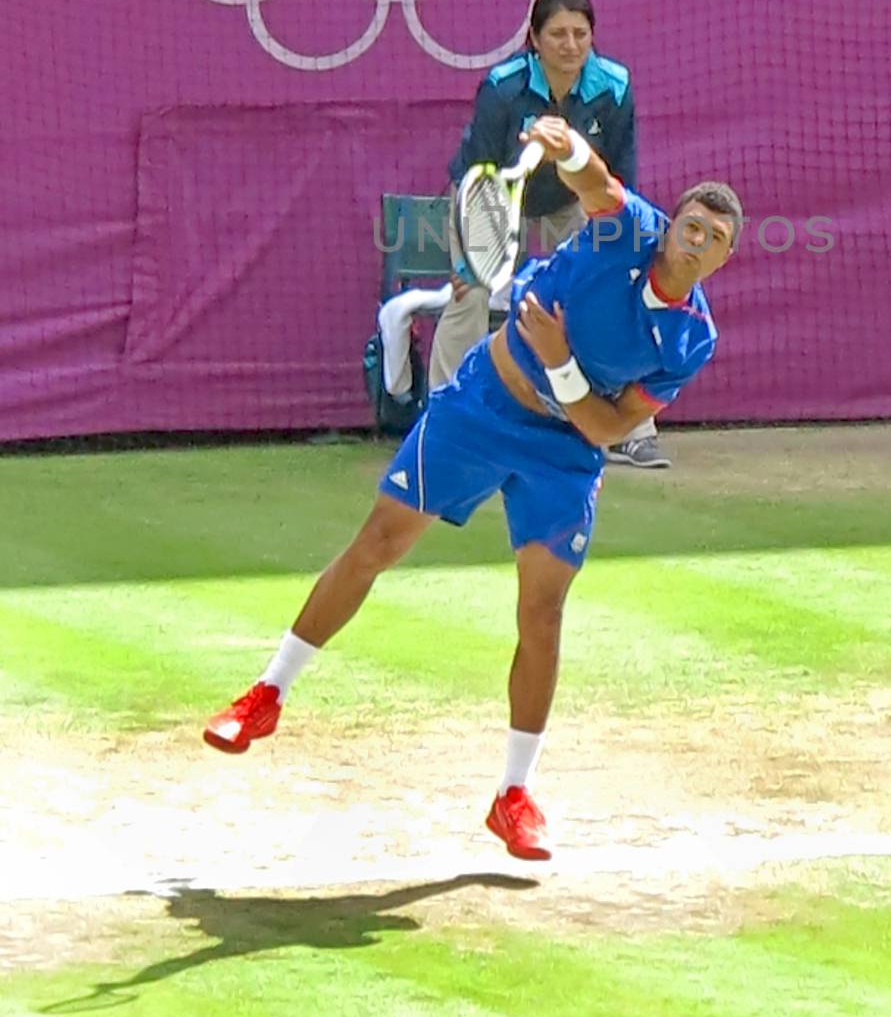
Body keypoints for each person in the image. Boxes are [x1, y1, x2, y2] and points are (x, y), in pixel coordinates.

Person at [203, 114, 742, 861]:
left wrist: (559, 361)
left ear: (722, 258)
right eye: (691, 225)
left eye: (714, 239)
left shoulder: (693, 338)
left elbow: (607, 430)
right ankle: (267, 693)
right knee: (378, 544)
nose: (696, 241)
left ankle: (513, 794)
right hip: (484, 405)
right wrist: (570, 148)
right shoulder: (628, 230)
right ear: (670, 223)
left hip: (563, 451)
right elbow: (596, 182)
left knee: (543, 612)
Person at [431, 0, 669, 470]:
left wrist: (615, 249)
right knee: (469, 293)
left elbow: (619, 174)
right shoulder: (503, 86)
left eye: (580, 34)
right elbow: (479, 170)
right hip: (495, 197)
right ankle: (446, 421)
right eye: (557, 34)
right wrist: (471, 254)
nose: (570, 45)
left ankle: (628, 429)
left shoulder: (614, 85)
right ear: (534, 40)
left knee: (606, 294)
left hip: (574, 197)